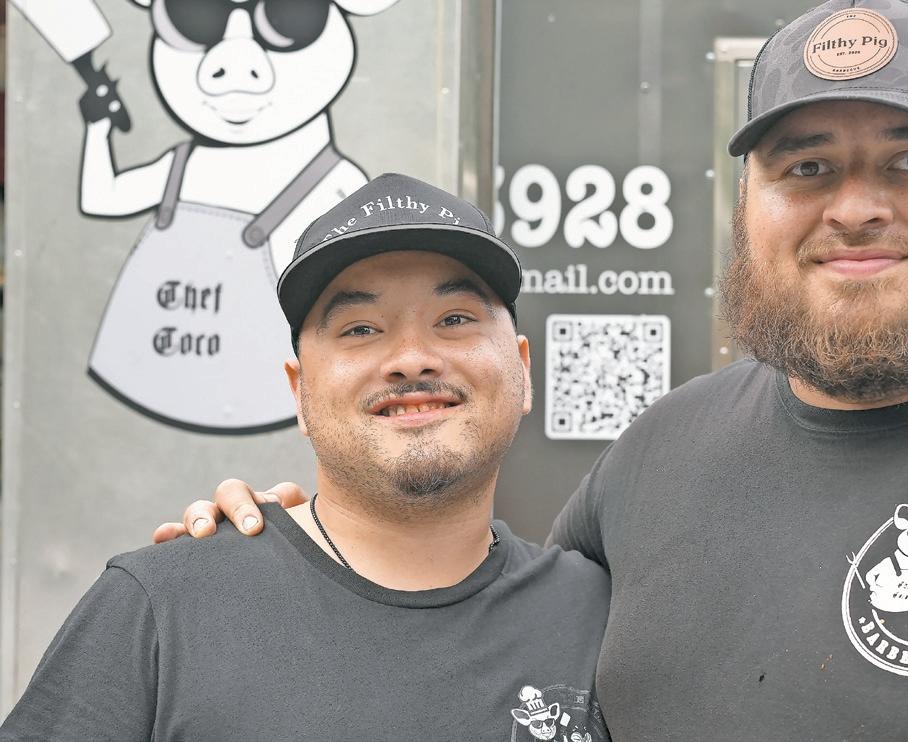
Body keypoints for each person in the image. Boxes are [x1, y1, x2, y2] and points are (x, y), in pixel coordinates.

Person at [159, 0, 908, 739]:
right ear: (749, 206)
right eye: (806, 168)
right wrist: (291, 557)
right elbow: (475, 638)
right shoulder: (659, 457)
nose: (854, 207)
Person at [3, 174, 611, 741]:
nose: (411, 358)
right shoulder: (162, 605)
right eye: (360, 329)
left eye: (454, 319)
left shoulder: (600, 617)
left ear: (523, 371)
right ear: (299, 392)